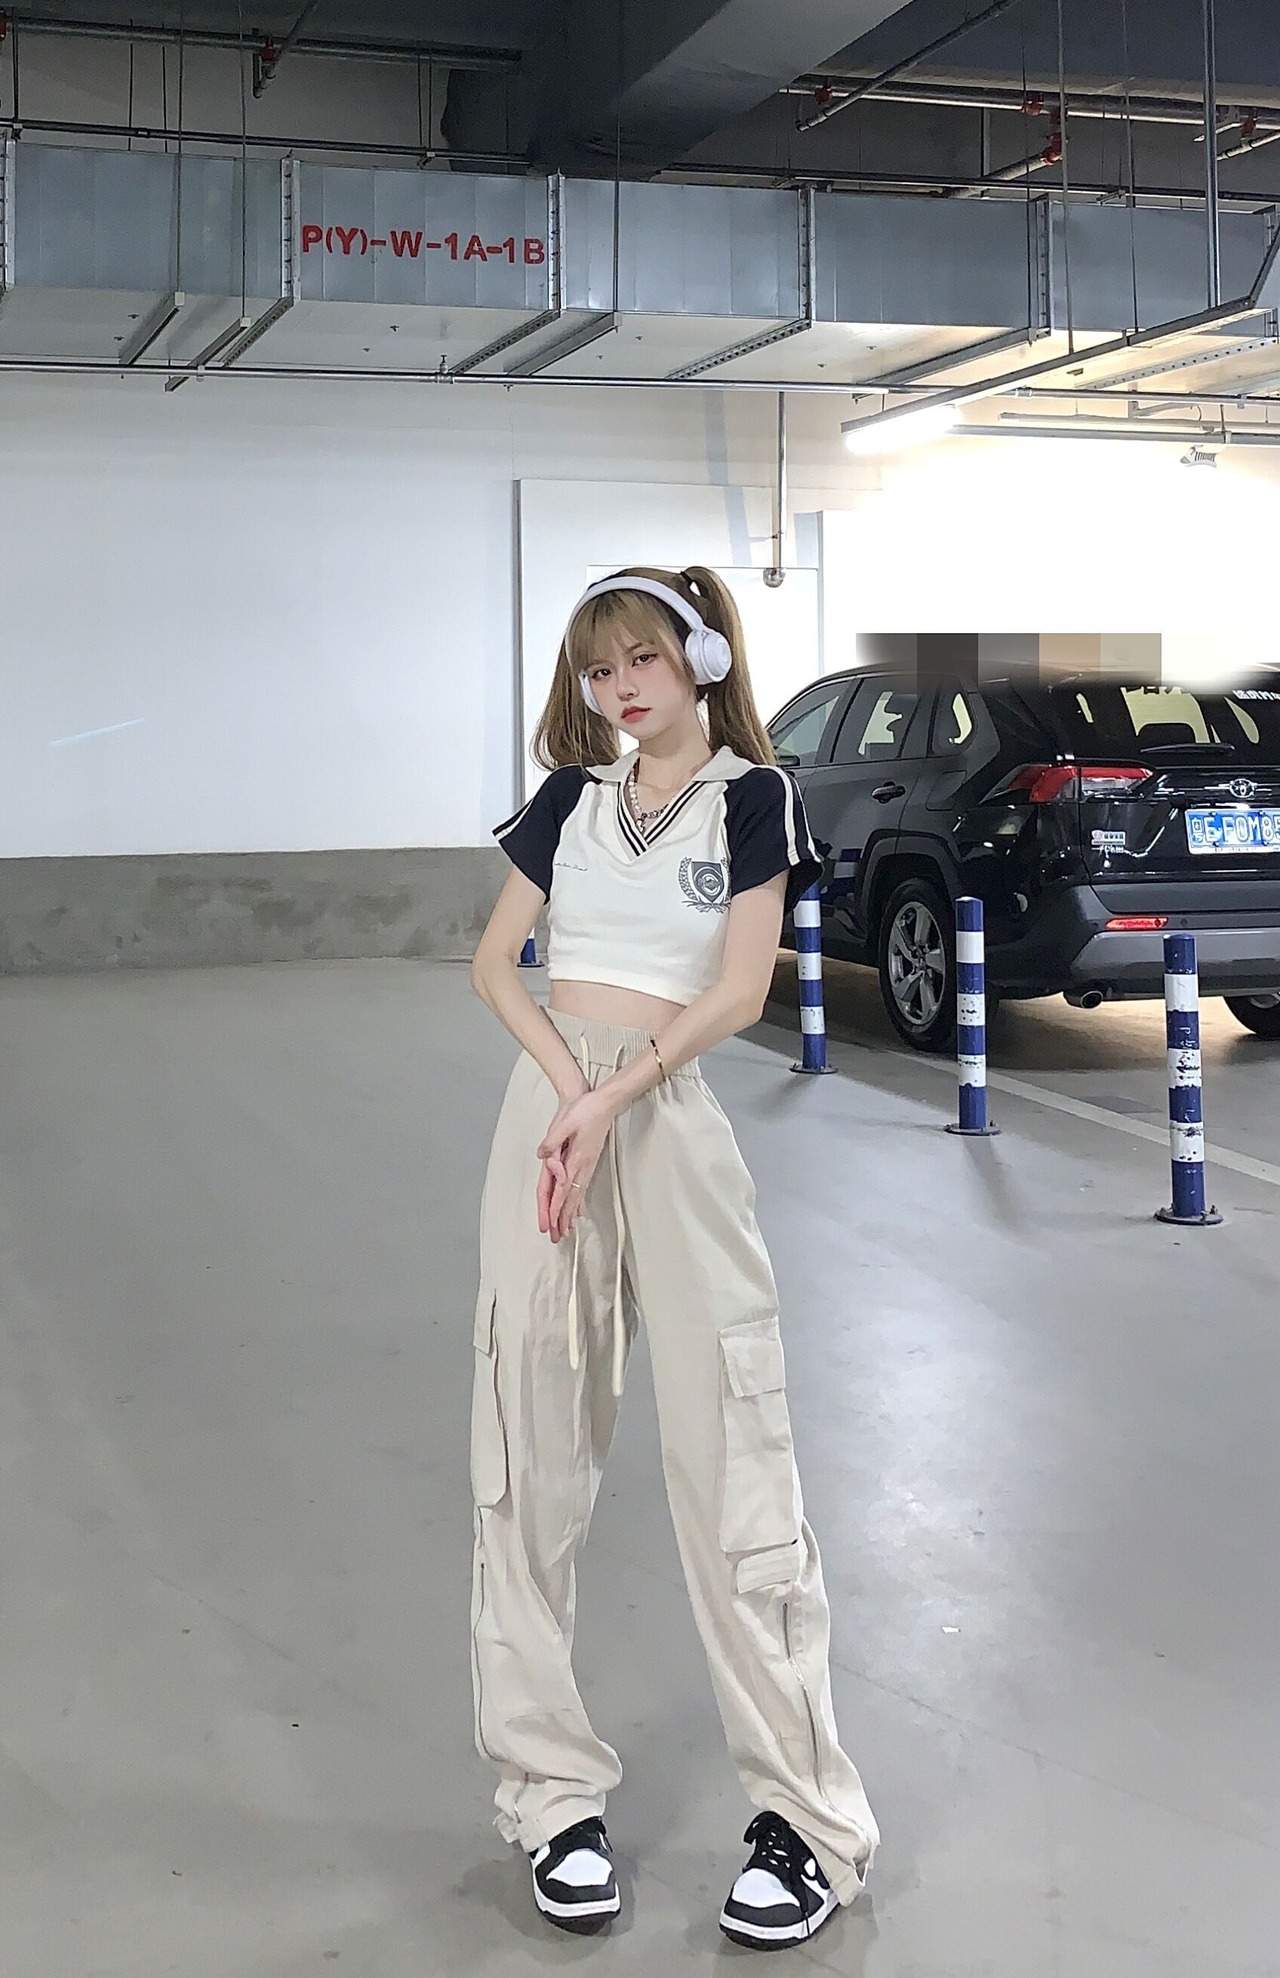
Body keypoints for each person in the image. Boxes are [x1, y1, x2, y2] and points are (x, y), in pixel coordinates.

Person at [467, 566, 879, 1949]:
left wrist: (615, 1094)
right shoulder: (568, 802)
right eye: (599, 670)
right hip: (551, 1120)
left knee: (733, 1448)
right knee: (526, 1452)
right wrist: (565, 1094)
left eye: (641, 658)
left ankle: (806, 1819)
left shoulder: (751, 798)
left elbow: (740, 989)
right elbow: (496, 965)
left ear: (697, 657)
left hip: (666, 1115)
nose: (620, 688)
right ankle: (550, 1794)